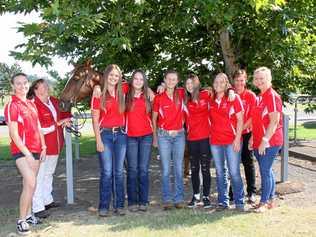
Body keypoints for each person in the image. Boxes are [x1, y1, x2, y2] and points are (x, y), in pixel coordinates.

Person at [4, 73, 46, 235]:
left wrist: (43, 146)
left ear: (28, 84)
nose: (22, 86)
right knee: (30, 182)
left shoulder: (31, 104)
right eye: (18, 84)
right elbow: (14, 134)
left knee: (30, 185)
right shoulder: (11, 105)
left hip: (36, 149)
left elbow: (37, 126)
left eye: (24, 83)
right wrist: (27, 153)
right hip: (21, 151)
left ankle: (29, 216)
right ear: (13, 86)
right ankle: (21, 220)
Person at [27, 79, 71, 218]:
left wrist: (68, 119)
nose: (47, 87)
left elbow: (64, 113)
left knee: (49, 173)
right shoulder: (33, 105)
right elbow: (38, 128)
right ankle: (38, 207)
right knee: (39, 176)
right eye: (43, 86)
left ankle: (47, 200)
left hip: (56, 145)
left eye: (47, 85)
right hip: (42, 147)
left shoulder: (53, 101)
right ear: (35, 89)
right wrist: (58, 123)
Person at [91, 64, 129, 217]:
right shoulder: (99, 93)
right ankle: (104, 206)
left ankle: (119, 205)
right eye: (111, 75)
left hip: (120, 135)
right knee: (107, 172)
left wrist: (160, 86)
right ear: (106, 76)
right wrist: (98, 141)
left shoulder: (124, 90)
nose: (114, 78)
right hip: (105, 135)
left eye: (116, 75)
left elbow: (141, 84)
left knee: (119, 172)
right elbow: (95, 119)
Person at [209, 73, 245, 211]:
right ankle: (223, 202)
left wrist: (237, 139)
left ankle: (239, 202)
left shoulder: (233, 97)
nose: (218, 84)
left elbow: (241, 120)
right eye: (216, 81)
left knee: (234, 172)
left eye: (221, 82)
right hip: (215, 141)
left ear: (226, 84)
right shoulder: (210, 98)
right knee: (219, 172)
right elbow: (190, 90)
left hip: (232, 141)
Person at [250, 67, 283, 213]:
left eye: (262, 78)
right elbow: (256, 121)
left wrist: (264, 140)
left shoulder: (272, 96)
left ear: (269, 79)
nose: (259, 81)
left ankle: (263, 202)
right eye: (256, 78)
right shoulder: (260, 96)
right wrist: (252, 137)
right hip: (258, 140)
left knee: (264, 170)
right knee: (267, 171)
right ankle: (270, 200)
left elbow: (274, 121)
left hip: (270, 141)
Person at [152, 69, 186, 210]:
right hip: (163, 136)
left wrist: (231, 89)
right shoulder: (158, 98)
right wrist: (155, 137)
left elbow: (198, 88)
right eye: (168, 79)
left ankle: (178, 199)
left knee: (178, 168)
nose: (171, 81)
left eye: (174, 79)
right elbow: (154, 119)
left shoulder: (182, 94)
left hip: (179, 136)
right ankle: (167, 199)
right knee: (166, 169)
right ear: (165, 80)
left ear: (177, 81)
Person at [125, 70, 153, 212]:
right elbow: (109, 84)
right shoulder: (125, 94)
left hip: (146, 136)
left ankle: (144, 200)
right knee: (132, 169)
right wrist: (98, 87)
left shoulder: (148, 95)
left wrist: (159, 86)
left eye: (141, 79)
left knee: (143, 170)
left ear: (144, 82)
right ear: (132, 80)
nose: (138, 81)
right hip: (130, 137)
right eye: (135, 78)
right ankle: (132, 201)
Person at [229, 69, 257, 204]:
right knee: (232, 164)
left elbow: (253, 117)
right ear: (233, 81)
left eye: (242, 80)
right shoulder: (230, 94)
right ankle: (232, 192)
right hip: (232, 135)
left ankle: (251, 192)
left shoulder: (250, 96)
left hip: (246, 133)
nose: (239, 83)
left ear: (245, 80)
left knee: (248, 162)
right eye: (237, 80)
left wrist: (240, 130)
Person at [184, 74, 211, 208]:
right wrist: (162, 85)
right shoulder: (185, 100)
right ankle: (195, 196)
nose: (189, 86)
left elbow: (220, 91)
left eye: (191, 83)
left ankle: (206, 196)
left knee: (205, 169)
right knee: (194, 169)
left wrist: (230, 91)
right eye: (187, 83)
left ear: (196, 84)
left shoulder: (206, 94)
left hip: (205, 138)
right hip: (192, 139)